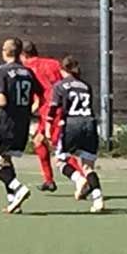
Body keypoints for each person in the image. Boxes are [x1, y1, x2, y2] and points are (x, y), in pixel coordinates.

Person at [0, 38, 40, 214]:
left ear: (5, 52)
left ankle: (18, 187)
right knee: (6, 159)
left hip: (7, 123)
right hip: (23, 124)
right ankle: (13, 200)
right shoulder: (28, 72)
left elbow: (2, 100)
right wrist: (28, 110)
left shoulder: (2, 71)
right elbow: (39, 96)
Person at [44, 56, 105, 212]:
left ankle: (78, 179)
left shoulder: (60, 86)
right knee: (88, 167)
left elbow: (53, 109)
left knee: (60, 161)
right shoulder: (86, 85)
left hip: (72, 124)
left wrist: (48, 127)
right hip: (90, 124)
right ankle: (98, 198)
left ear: (62, 70)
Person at [21, 41, 63, 192]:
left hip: (50, 110)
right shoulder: (53, 63)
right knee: (39, 142)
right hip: (61, 106)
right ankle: (48, 180)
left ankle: (82, 179)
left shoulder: (27, 68)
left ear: (23, 54)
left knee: (58, 148)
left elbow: (38, 93)